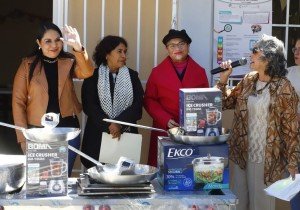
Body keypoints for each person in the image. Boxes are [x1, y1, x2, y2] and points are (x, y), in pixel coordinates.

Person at [216, 34, 299, 210]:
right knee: (238, 202)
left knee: (261, 204)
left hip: (269, 156)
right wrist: (223, 79)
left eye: (255, 51)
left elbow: (292, 127)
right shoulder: (248, 80)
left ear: (269, 58)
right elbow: (224, 103)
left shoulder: (284, 87)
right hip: (242, 153)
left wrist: (293, 161)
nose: (250, 55)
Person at [12, 23, 94, 177]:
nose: (54, 45)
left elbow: (87, 72)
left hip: (68, 132)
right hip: (38, 134)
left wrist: (78, 47)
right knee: (41, 183)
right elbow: (18, 102)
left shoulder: (69, 61)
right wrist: (22, 139)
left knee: (61, 181)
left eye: (58, 40)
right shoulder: (27, 64)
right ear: (39, 43)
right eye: (48, 41)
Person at [144, 29, 209, 166]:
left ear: (188, 46)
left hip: (192, 130)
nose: (177, 48)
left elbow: (206, 101)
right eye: (172, 45)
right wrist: (165, 119)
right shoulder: (157, 72)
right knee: (164, 169)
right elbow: (149, 99)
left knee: (189, 168)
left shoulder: (200, 72)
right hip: (164, 128)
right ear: (167, 49)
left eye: (181, 44)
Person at [80, 35, 144, 169]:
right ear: (106, 54)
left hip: (125, 134)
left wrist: (118, 123)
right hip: (97, 136)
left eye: (125, 52)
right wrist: (109, 125)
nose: (123, 55)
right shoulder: (92, 76)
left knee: (124, 175)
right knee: (98, 177)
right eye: (119, 51)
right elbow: (89, 106)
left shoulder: (132, 76)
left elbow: (137, 107)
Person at [287, 37, 300, 210]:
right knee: (296, 189)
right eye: (295, 48)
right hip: (293, 141)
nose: (297, 52)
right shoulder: (289, 73)